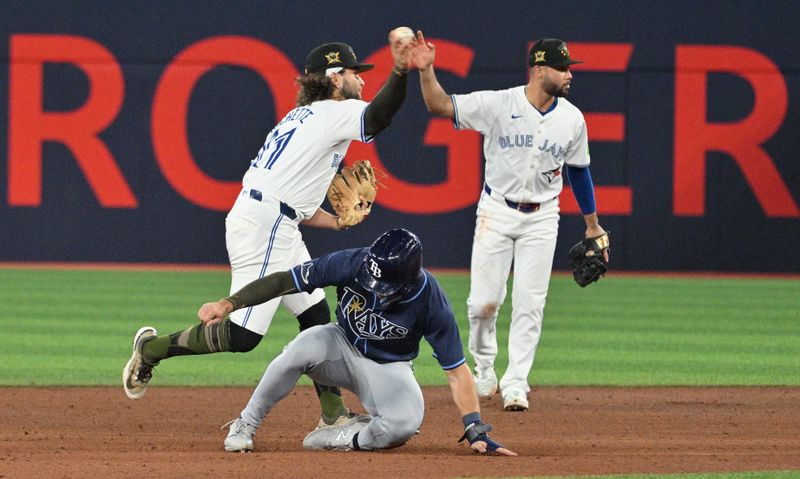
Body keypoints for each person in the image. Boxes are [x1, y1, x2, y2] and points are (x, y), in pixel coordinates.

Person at [123, 31, 415, 428]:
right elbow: (380, 115)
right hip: (266, 226)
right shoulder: (333, 113)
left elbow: (297, 204)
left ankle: (332, 415)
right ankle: (152, 348)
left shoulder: (301, 118)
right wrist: (400, 69)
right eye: (353, 72)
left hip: (275, 220)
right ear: (333, 78)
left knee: (315, 312)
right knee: (243, 337)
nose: (361, 80)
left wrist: (336, 221)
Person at [409, 34, 608, 411]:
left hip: (543, 215)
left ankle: (517, 382)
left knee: (531, 303)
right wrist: (427, 69)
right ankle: (484, 368)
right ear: (538, 69)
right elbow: (438, 104)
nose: (569, 75)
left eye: (569, 68)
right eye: (562, 67)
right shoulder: (499, 104)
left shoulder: (572, 118)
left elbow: (579, 173)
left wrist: (592, 224)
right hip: (496, 210)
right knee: (483, 303)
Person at [198, 228, 516, 455]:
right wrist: (229, 303)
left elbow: (457, 371)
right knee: (301, 347)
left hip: (389, 367)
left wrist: (474, 427)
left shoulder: (431, 301)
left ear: (409, 278)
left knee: (404, 424)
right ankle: (245, 425)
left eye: (384, 285)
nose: (376, 289)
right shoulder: (353, 262)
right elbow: (286, 280)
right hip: (340, 346)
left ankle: (342, 437)